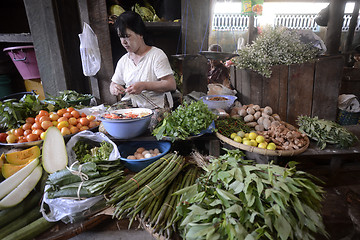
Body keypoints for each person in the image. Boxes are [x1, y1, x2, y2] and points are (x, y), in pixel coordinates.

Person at [109, 11, 176, 109]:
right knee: (112, 114)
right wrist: (114, 88)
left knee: (150, 122)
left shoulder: (156, 55)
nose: (124, 42)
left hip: (156, 105)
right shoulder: (123, 61)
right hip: (132, 104)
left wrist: (144, 86)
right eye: (121, 37)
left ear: (140, 34)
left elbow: (171, 84)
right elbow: (114, 83)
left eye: (127, 36)